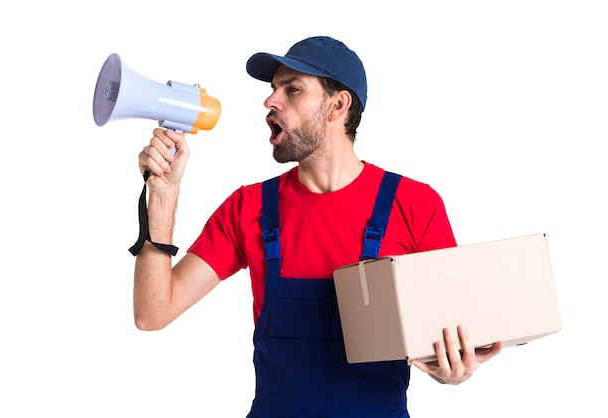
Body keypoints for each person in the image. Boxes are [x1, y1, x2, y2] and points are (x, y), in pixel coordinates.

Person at [133, 36, 504, 417]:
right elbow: (153, 312)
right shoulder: (249, 208)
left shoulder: (414, 205)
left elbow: (451, 336)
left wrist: (453, 371)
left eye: (292, 89)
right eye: (273, 89)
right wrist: (164, 194)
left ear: (337, 106)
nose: (270, 101)